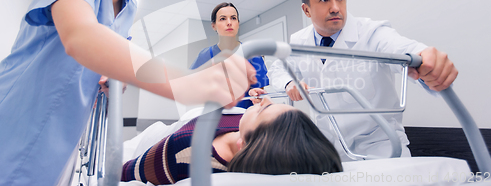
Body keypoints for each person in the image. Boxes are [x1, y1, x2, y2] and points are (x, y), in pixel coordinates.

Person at [0, 0, 254, 185]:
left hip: (68, 126)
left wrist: (114, 79)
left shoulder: (128, 3)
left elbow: (109, 61)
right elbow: (80, 36)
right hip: (22, 112)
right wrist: (188, 84)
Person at [268, 0, 458, 161]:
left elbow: (402, 48)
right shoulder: (299, 41)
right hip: (329, 150)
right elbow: (278, 68)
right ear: (306, 9)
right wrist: (289, 84)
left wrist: (425, 59)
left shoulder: (371, 32)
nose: (335, 7)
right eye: (324, 0)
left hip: (380, 150)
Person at [121, 95, 343, 185]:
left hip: (147, 144)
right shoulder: (245, 122)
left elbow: (127, 172)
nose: (264, 98)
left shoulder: (184, 155)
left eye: (263, 108)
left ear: (244, 145)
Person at [190, 2, 269, 108]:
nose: (229, 22)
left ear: (238, 23)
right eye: (223, 19)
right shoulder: (204, 56)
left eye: (233, 18)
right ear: (213, 26)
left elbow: (259, 95)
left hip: (244, 118)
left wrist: (256, 95)